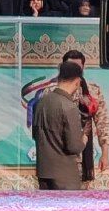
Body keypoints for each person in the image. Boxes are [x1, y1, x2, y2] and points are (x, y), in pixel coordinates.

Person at [32, 60, 87, 191]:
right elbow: (73, 147)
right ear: (77, 81)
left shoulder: (40, 103)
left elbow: (35, 135)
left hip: (44, 173)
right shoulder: (69, 107)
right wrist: (84, 140)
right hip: (65, 175)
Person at [61, 50, 109, 185]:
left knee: (83, 193)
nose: (74, 70)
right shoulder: (52, 91)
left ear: (83, 67)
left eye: (77, 67)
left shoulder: (92, 91)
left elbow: (102, 122)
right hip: (60, 154)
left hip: (84, 155)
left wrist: (105, 153)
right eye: (70, 66)